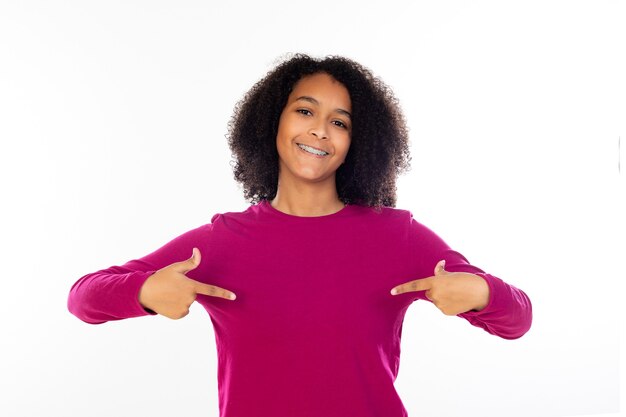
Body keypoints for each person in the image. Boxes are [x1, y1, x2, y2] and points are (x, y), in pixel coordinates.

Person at [68, 53, 532, 417]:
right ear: (273, 123)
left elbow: (519, 319)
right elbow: (83, 299)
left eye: (340, 121)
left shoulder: (400, 238)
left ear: (359, 143)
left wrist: (479, 291)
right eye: (305, 110)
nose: (319, 129)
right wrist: (144, 291)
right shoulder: (220, 242)